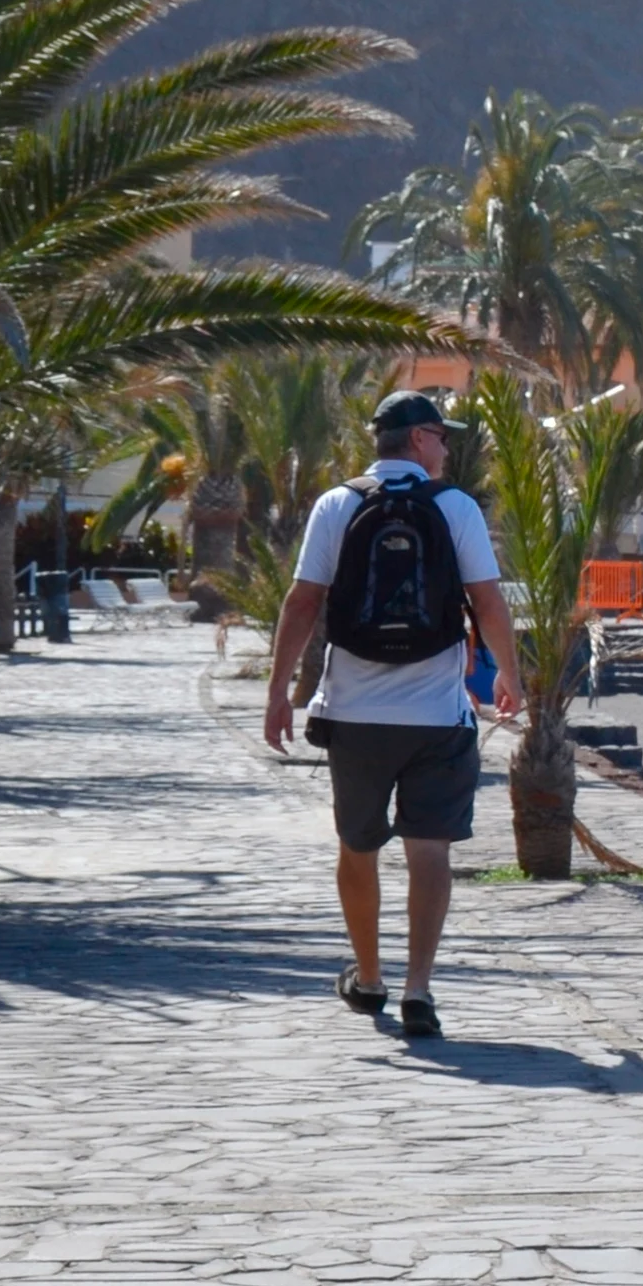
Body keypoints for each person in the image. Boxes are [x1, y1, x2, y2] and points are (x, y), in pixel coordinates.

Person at [263, 389, 523, 1036]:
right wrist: (509, 676)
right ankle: (419, 989)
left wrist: (277, 691)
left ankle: (370, 977)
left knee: (358, 845)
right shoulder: (454, 506)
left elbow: (301, 603)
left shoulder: (337, 503)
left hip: (353, 714)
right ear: (415, 441)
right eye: (440, 434)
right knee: (428, 851)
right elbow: (487, 603)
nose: (446, 446)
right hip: (437, 717)